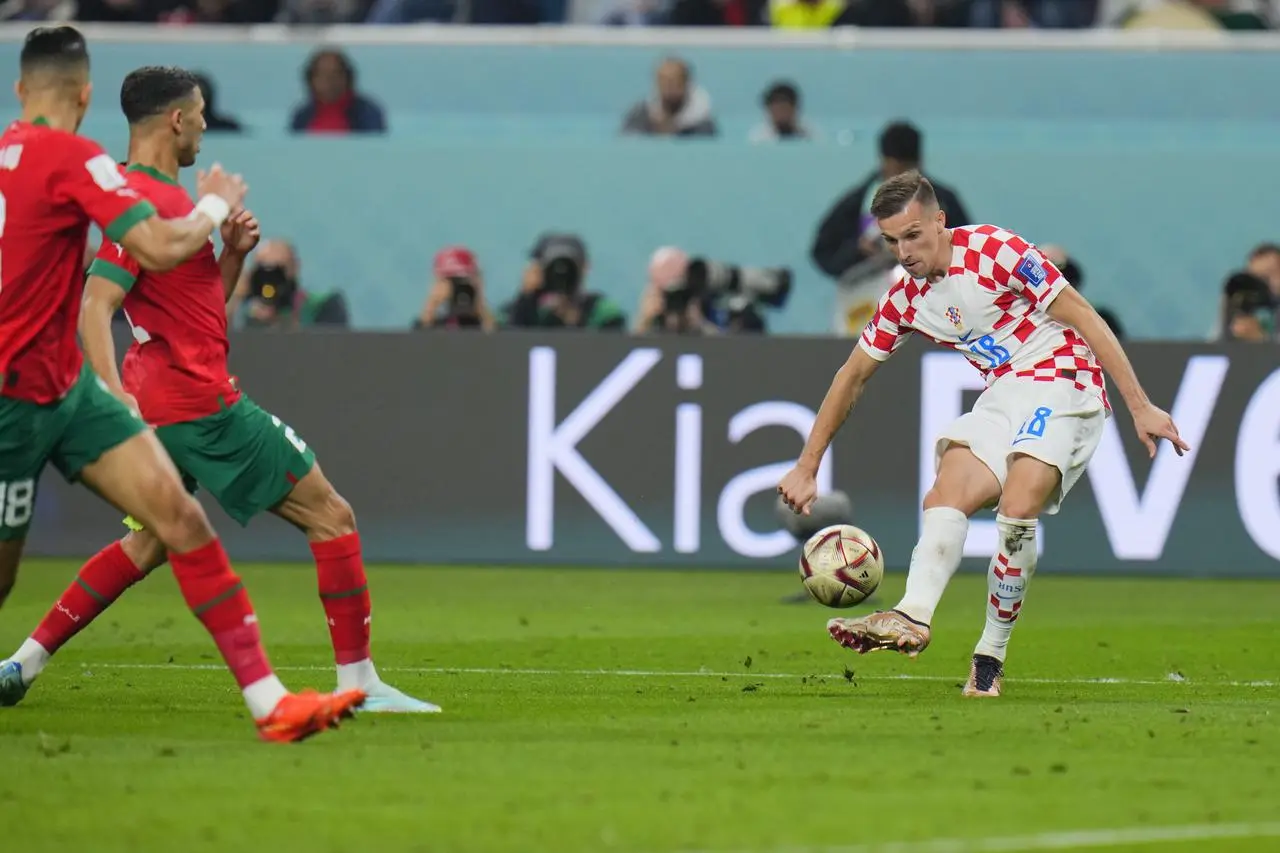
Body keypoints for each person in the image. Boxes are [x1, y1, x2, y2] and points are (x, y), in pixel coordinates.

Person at [0, 65, 439, 715]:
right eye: (200, 113)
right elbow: (97, 301)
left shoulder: (155, 202)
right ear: (176, 119)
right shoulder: (139, 200)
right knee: (332, 516)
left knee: (147, 542)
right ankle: (360, 681)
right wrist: (112, 393)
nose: (206, 124)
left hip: (170, 399)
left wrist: (229, 256)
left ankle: (22, 662)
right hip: (199, 405)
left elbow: (196, 313)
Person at [777, 171, 1188, 698]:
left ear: (941, 222)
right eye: (892, 241)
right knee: (948, 488)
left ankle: (989, 656)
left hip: (1064, 383)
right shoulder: (905, 297)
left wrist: (1140, 405)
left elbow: (1082, 316)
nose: (903, 252)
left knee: (1018, 507)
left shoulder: (997, 251)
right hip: (1004, 395)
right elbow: (851, 376)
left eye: (913, 236)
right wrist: (808, 465)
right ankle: (912, 615)